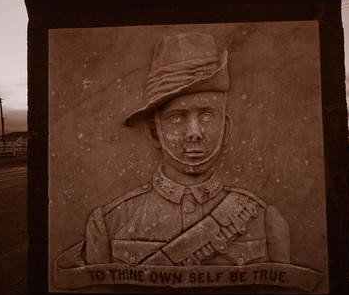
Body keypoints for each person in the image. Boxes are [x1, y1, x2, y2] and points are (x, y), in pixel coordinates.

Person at [56, 32, 290, 268]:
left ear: (225, 128)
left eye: (207, 115)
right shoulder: (109, 224)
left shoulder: (262, 220)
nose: (194, 132)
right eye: (177, 118)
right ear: (154, 133)